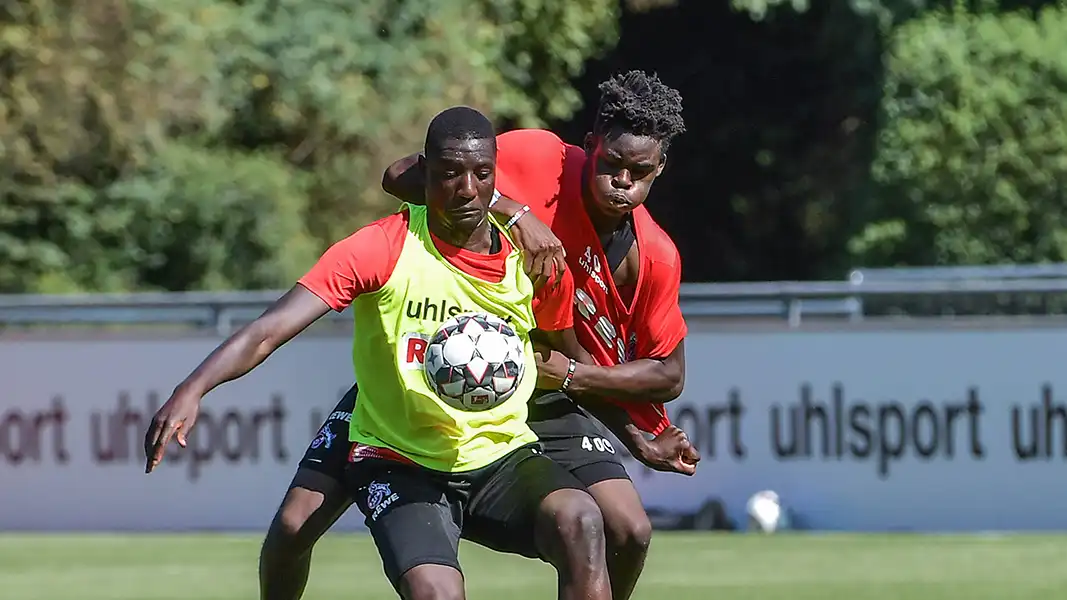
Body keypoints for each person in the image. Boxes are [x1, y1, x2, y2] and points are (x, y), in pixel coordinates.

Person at [145, 106, 613, 600]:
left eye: (480, 174)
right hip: (397, 454)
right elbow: (271, 328)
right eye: (449, 173)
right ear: (425, 172)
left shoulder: (536, 262)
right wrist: (192, 388)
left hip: (497, 453)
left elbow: (567, 361)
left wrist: (636, 424)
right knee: (306, 534)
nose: (467, 189)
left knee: (582, 520)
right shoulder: (383, 247)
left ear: (496, 176)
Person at [380, 70, 695, 600]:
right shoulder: (539, 158)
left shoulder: (655, 256)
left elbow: (669, 375)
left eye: (639, 172)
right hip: (460, 373)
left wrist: (587, 392)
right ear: (590, 145)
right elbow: (399, 176)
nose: (622, 181)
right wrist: (513, 211)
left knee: (630, 530)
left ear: (660, 168)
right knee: (299, 521)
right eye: (611, 163)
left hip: (548, 389)